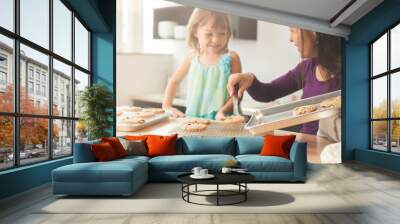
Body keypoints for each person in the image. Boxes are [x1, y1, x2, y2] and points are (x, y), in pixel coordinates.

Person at [227, 28, 341, 135]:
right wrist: (249, 78)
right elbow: (268, 92)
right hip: (304, 146)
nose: (290, 39)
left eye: (293, 30)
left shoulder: (347, 71)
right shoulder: (306, 68)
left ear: (314, 32)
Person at [162, 8, 242, 120]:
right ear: (195, 31)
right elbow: (174, 81)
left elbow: (237, 93)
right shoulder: (192, 57)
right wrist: (167, 106)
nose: (216, 40)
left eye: (221, 33)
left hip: (223, 120)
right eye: (209, 34)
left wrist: (222, 111)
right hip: (193, 120)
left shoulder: (232, 58)